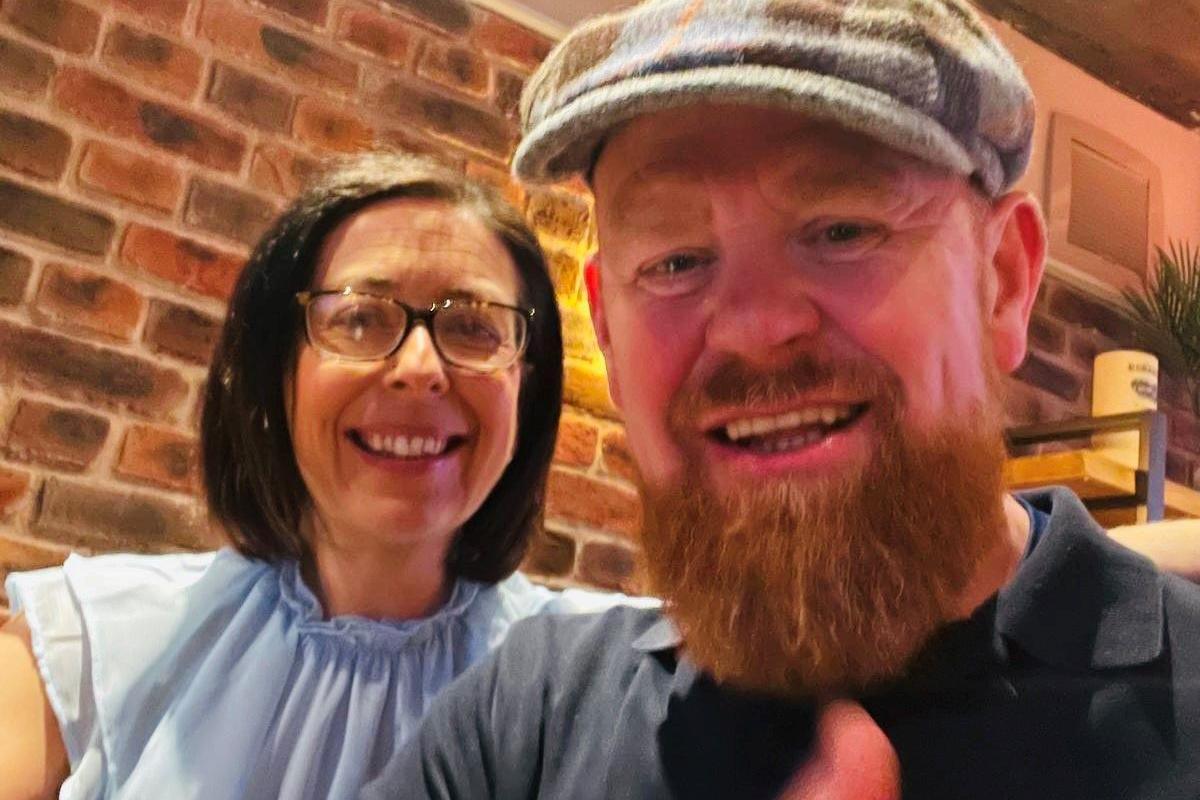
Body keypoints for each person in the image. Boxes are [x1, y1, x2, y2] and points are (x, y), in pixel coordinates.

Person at [390, 1, 1200, 797]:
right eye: (675, 261)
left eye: (842, 231)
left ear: (1004, 285)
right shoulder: (524, 723)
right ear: (605, 323)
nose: (754, 327)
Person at [0, 151, 637, 799]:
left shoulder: (609, 696)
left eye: (472, 326)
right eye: (360, 318)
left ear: (525, 389)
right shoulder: (82, 653)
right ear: (282, 374)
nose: (420, 366)